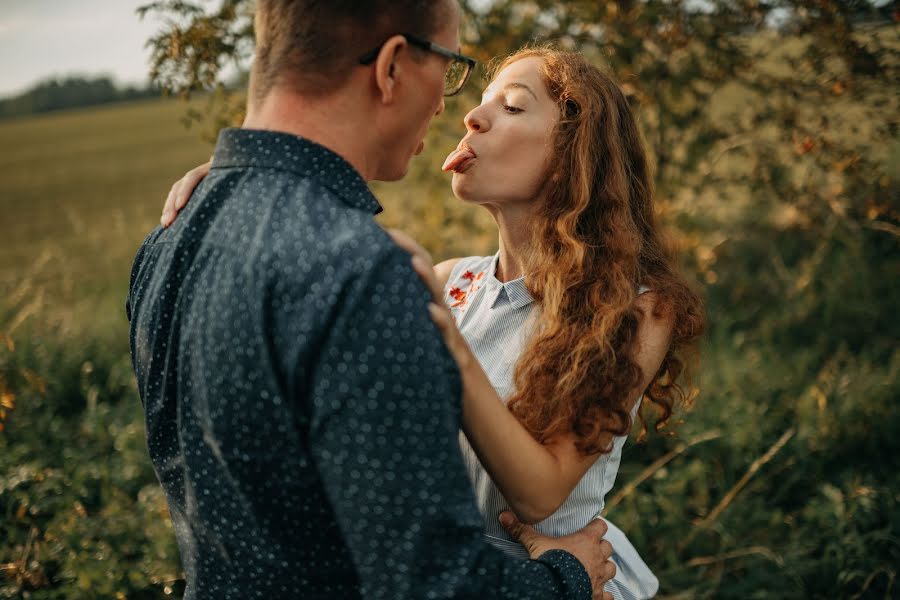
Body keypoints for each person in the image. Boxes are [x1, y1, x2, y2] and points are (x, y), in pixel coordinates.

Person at [162, 45, 706, 599]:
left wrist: (451, 348)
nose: (471, 116)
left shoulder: (636, 308)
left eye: (514, 107)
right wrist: (248, 185)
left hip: (568, 583)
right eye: (482, 101)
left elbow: (541, 492)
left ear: (573, 153)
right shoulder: (451, 281)